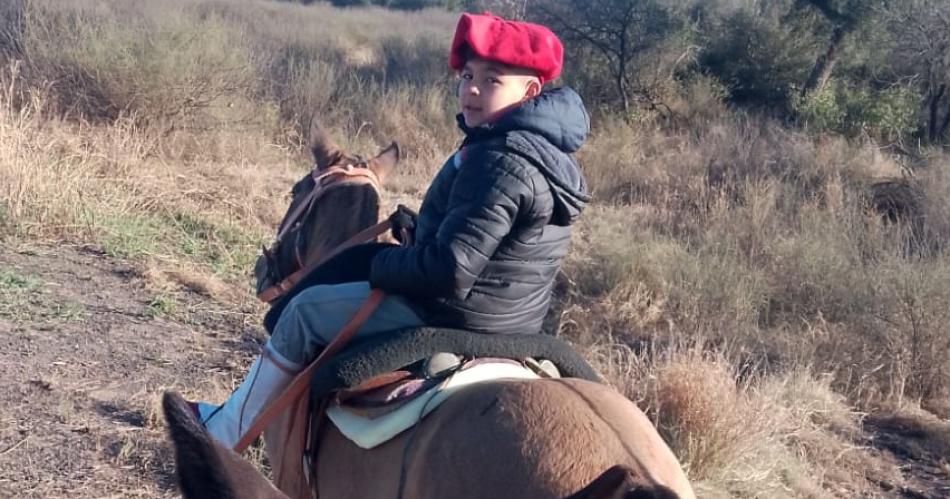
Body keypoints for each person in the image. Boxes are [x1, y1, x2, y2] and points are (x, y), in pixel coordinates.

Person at [192, 12, 591, 449]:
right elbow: (491, 244)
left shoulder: (499, 157)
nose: (472, 90)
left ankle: (224, 432)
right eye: (467, 75)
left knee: (304, 311)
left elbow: (451, 271)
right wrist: (423, 232)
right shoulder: (537, 149)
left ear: (530, 91)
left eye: (492, 80)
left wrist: (384, 261)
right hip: (512, 314)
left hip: (458, 316)